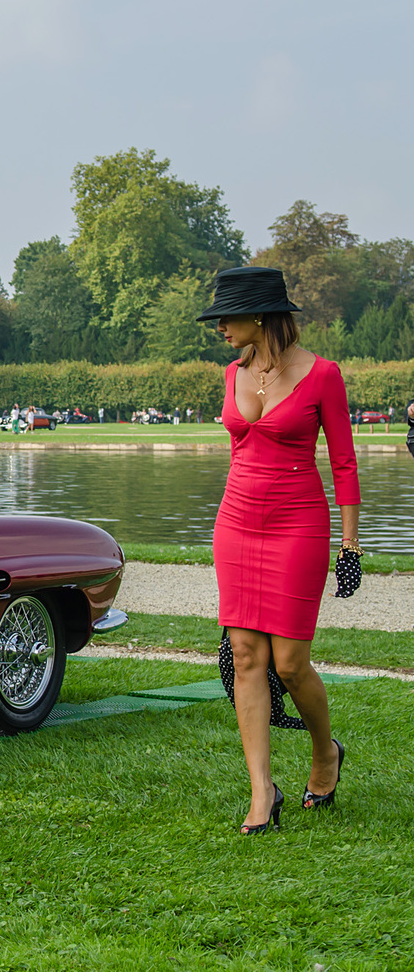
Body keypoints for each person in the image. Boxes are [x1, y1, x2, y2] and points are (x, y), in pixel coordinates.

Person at [199, 266, 359, 834]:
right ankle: (262, 791)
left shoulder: (323, 375)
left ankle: (324, 754)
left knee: (289, 664)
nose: (219, 327)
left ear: (261, 315)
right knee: (246, 656)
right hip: (237, 523)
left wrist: (350, 545)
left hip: (299, 526)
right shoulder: (229, 373)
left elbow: (343, 462)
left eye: (226, 317)